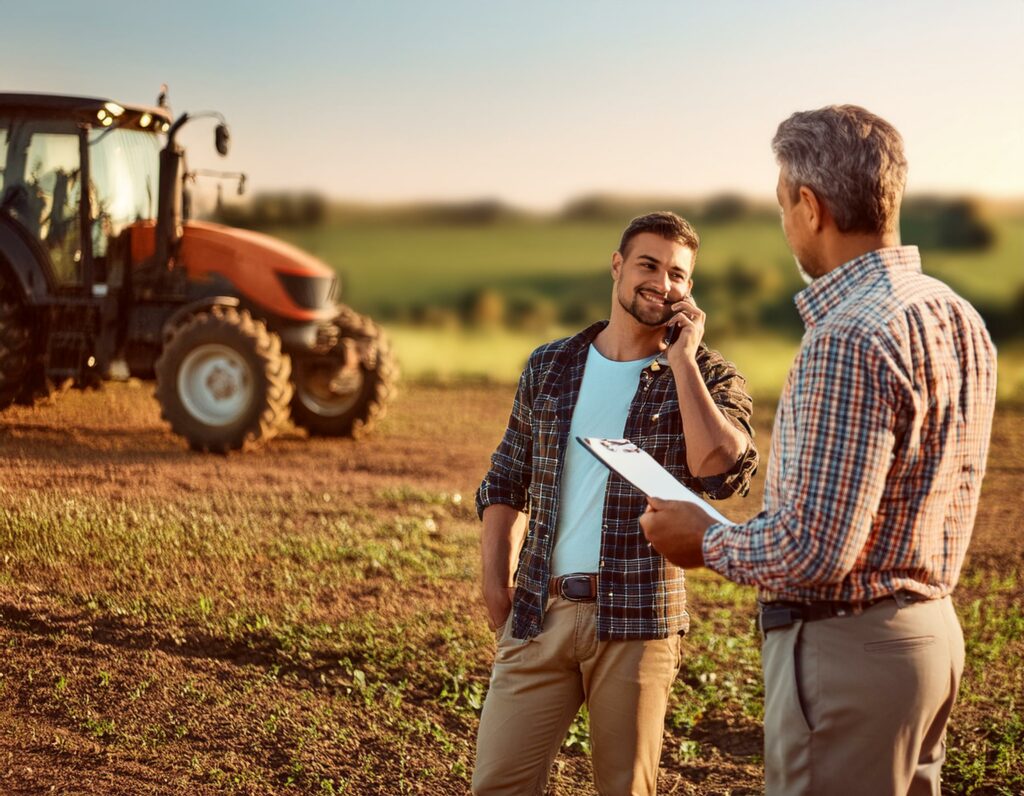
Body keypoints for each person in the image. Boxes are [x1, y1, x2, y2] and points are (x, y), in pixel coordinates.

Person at [640, 105, 998, 795]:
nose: (784, 224)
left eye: (783, 204)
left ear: (810, 206)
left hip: (849, 658)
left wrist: (705, 538)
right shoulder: (954, 313)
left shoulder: (847, 338)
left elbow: (816, 550)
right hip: (931, 641)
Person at [472, 211, 759, 795]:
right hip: (538, 617)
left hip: (638, 624)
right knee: (496, 786)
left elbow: (722, 472)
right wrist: (494, 581)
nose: (662, 282)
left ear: (690, 290)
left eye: (678, 274)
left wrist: (682, 361)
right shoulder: (550, 365)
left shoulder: (707, 374)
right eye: (649, 265)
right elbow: (506, 477)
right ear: (617, 266)